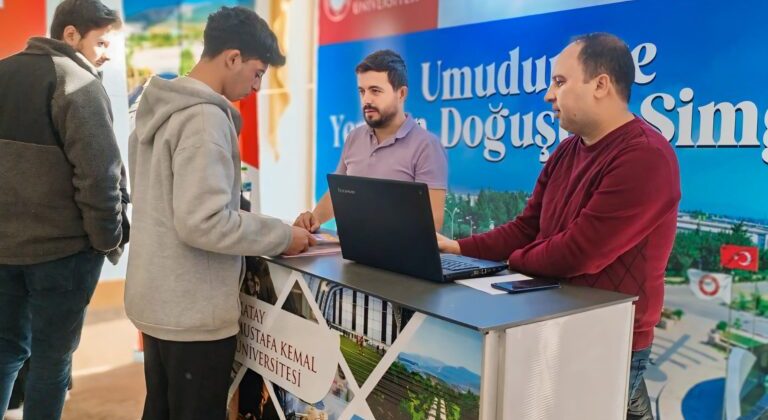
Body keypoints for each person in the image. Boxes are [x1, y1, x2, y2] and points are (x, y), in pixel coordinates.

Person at [438, 33, 680, 420]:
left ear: (601, 84)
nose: (549, 94)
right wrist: (459, 249)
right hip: (556, 325)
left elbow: (579, 252)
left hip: (607, 340)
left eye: (560, 82)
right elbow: (527, 227)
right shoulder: (568, 149)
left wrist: (509, 263)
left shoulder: (645, 157)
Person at [125, 6, 314, 419]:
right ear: (232, 58)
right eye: (257, 72)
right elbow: (203, 222)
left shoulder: (156, 110)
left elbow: (164, 201)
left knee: (160, 408)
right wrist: (284, 236)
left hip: (158, 300)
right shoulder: (206, 120)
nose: (258, 86)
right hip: (192, 308)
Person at [0, 1, 126, 418]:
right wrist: (108, 239)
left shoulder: (2, 71)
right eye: (102, 41)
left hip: (3, 251)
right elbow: (100, 177)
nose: (107, 52)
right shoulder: (79, 83)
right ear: (70, 35)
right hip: (62, 256)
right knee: (52, 363)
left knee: (5, 352)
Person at [294, 49, 447, 232]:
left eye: (375, 91)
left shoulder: (427, 146)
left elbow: (433, 223)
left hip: (399, 258)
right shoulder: (354, 137)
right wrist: (312, 220)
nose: (366, 99)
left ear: (401, 94)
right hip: (353, 253)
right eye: (362, 91)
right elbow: (338, 194)